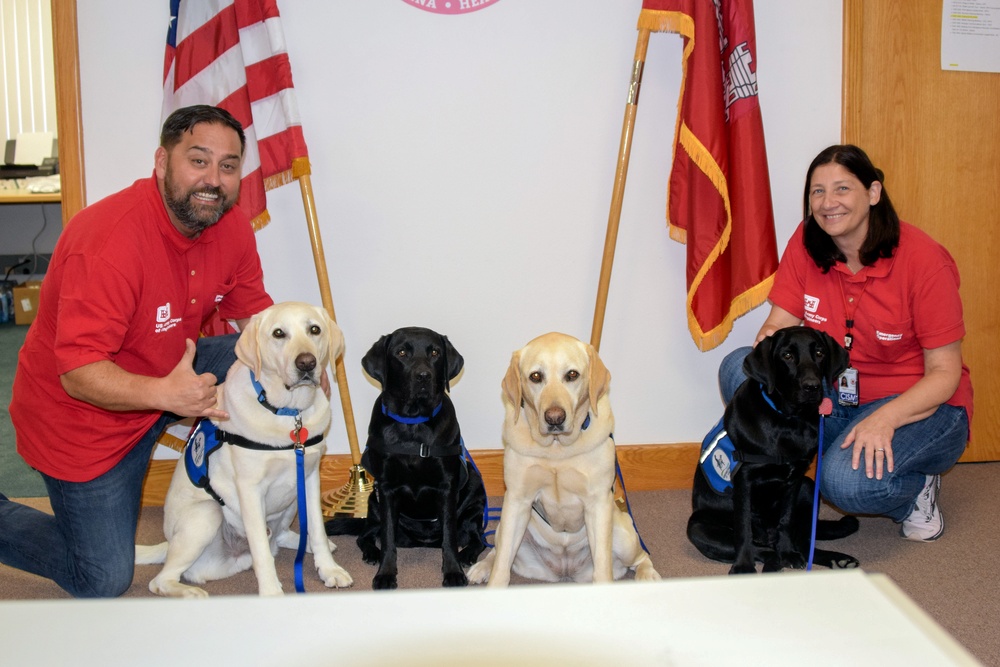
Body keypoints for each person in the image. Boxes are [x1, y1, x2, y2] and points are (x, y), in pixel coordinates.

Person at [1, 105, 274, 596]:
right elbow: (79, 374)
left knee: (262, 355)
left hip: (169, 373)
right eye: (198, 161)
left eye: (228, 166)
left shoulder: (229, 225)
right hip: (81, 417)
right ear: (161, 162)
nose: (213, 179)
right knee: (102, 578)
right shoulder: (107, 242)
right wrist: (167, 396)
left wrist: (299, 363)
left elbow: (254, 317)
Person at [719, 144, 972, 543]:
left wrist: (885, 419)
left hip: (921, 404)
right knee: (739, 368)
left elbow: (945, 374)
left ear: (873, 193)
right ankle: (789, 473)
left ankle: (916, 488)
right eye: (817, 192)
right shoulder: (807, 242)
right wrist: (767, 352)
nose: (827, 203)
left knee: (844, 485)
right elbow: (779, 324)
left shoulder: (924, 261)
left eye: (842, 189)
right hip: (837, 396)